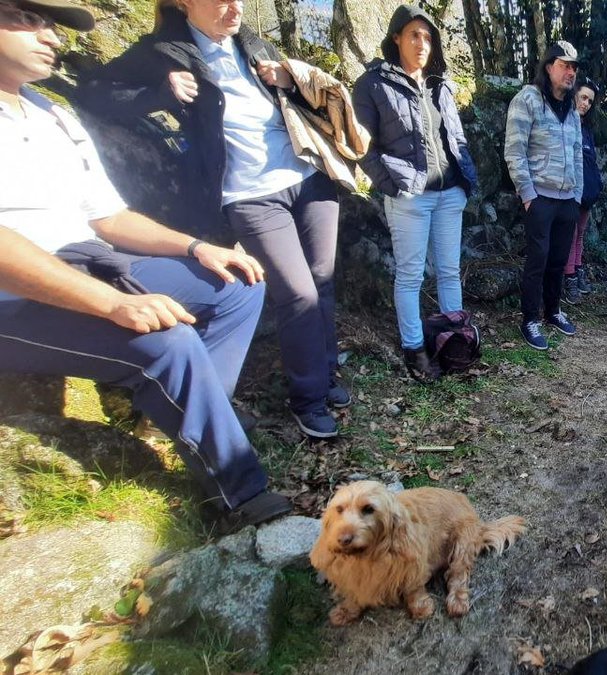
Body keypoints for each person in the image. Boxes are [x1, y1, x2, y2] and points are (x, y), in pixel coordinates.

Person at [0, 0, 290, 534]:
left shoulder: (51, 113)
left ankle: (188, 416)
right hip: (14, 290)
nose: (51, 38)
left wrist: (197, 249)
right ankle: (241, 495)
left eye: (51, 25)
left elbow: (108, 217)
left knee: (238, 284)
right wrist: (114, 304)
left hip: (89, 257)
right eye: (26, 18)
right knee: (168, 341)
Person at [76, 0, 347, 438]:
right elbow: (91, 91)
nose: (233, 8)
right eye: (220, 1)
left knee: (322, 278)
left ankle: (326, 374)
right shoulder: (164, 51)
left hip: (308, 175)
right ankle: (309, 398)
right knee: (296, 292)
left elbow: (294, 106)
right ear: (184, 5)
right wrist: (158, 94)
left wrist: (287, 80)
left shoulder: (253, 43)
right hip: (248, 195)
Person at [353, 5, 478, 383]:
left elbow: (455, 137)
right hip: (410, 197)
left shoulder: (441, 83)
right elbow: (362, 146)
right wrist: (393, 186)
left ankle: (452, 341)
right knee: (410, 276)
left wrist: (464, 180)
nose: (422, 43)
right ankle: (415, 349)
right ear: (396, 38)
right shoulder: (373, 84)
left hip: (449, 194)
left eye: (427, 36)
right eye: (413, 35)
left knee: (449, 271)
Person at [503, 40, 583, 351]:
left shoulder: (572, 110)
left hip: (567, 200)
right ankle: (530, 319)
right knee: (537, 260)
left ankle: (553, 312)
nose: (570, 72)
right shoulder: (528, 100)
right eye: (565, 65)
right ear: (549, 67)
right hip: (539, 198)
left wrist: (576, 194)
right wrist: (527, 195)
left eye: (574, 67)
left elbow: (577, 154)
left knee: (559, 260)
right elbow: (514, 150)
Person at [562, 76, 602, 306]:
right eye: (583, 97)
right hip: (569, 190)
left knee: (580, 233)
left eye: (590, 100)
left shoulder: (586, 128)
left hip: (586, 192)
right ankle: (569, 278)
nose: (586, 103)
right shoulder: (565, 122)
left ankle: (576, 269)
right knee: (570, 234)